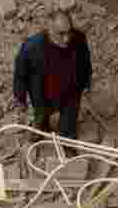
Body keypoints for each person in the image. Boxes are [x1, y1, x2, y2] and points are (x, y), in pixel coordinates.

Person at [13, 10, 92, 139]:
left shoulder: (79, 39)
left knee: (69, 121)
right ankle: (40, 132)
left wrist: (86, 82)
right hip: (42, 93)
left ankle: (67, 142)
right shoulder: (32, 47)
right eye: (61, 34)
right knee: (41, 116)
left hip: (70, 91)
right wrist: (20, 98)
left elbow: (85, 62)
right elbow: (20, 73)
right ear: (50, 29)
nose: (67, 39)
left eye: (69, 32)